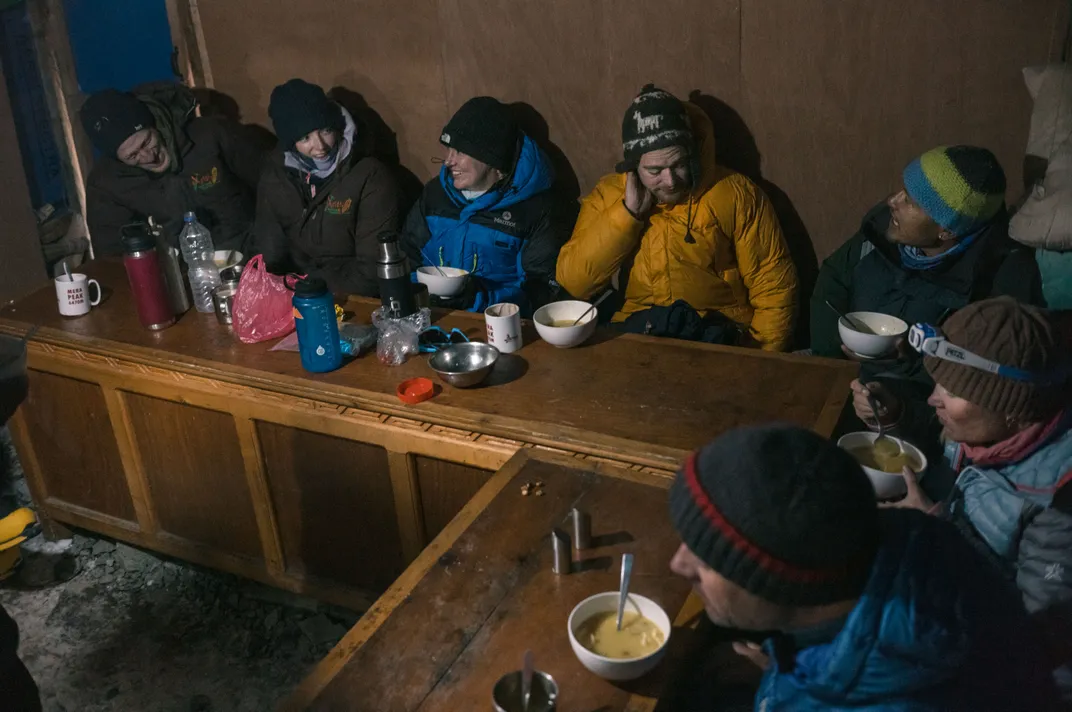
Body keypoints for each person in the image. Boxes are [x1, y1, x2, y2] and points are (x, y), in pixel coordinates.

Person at [667, 424, 1059, 710]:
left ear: (783, 584)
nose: (677, 564)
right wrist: (776, 675)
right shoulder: (921, 547)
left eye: (709, 560)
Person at [853, 297, 1072, 699]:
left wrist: (938, 531)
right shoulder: (989, 436)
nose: (934, 398)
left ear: (1011, 407)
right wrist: (897, 413)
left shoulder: (1060, 502)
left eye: (951, 391)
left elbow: (1037, 634)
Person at [555, 85, 797, 350]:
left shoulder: (735, 193)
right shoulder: (609, 195)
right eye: (655, 170)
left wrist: (762, 360)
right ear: (634, 166)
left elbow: (774, 288)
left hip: (718, 336)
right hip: (639, 332)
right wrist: (627, 214)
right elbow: (574, 282)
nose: (670, 181)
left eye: (679, 164)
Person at [811, 146, 1042, 403]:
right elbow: (831, 282)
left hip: (912, 409)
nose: (892, 201)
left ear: (946, 231)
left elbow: (991, 383)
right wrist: (830, 364)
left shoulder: (1001, 280)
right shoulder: (882, 233)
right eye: (903, 190)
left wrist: (905, 367)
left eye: (910, 200)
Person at [399, 97, 573, 315]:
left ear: (493, 159)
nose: (448, 161)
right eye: (449, 149)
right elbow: (408, 256)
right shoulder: (435, 195)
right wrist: (422, 292)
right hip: (432, 319)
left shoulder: (534, 209)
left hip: (499, 328)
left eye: (460, 152)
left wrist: (479, 297)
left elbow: (541, 292)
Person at [254, 79, 401, 297]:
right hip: (296, 294)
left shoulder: (369, 176)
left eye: (325, 130)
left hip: (352, 298)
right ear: (289, 143)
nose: (320, 146)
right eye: (305, 138)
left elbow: (373, 269)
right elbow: (269, 253)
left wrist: (310, 293)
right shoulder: (276, 176)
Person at [80, 84, 264, 257]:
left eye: (146, 142)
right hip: (181, 277)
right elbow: (114, 255)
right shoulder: (107, 184)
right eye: (132, 156)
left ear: (152, 124)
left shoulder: (211, 135)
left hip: (255, 258)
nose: (148, 157)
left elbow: (272, 188)